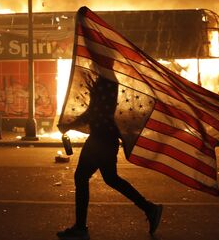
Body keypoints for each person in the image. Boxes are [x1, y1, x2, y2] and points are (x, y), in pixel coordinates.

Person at [57, 75, 163, 240]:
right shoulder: (106, 79)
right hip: (105, 138)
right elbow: (95, 110)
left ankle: (80, 228)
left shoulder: (106, 81)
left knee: (82, 177)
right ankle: (149, 208)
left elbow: (95, 112)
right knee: (110, 178)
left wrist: (69, 125)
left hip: (101, 139)